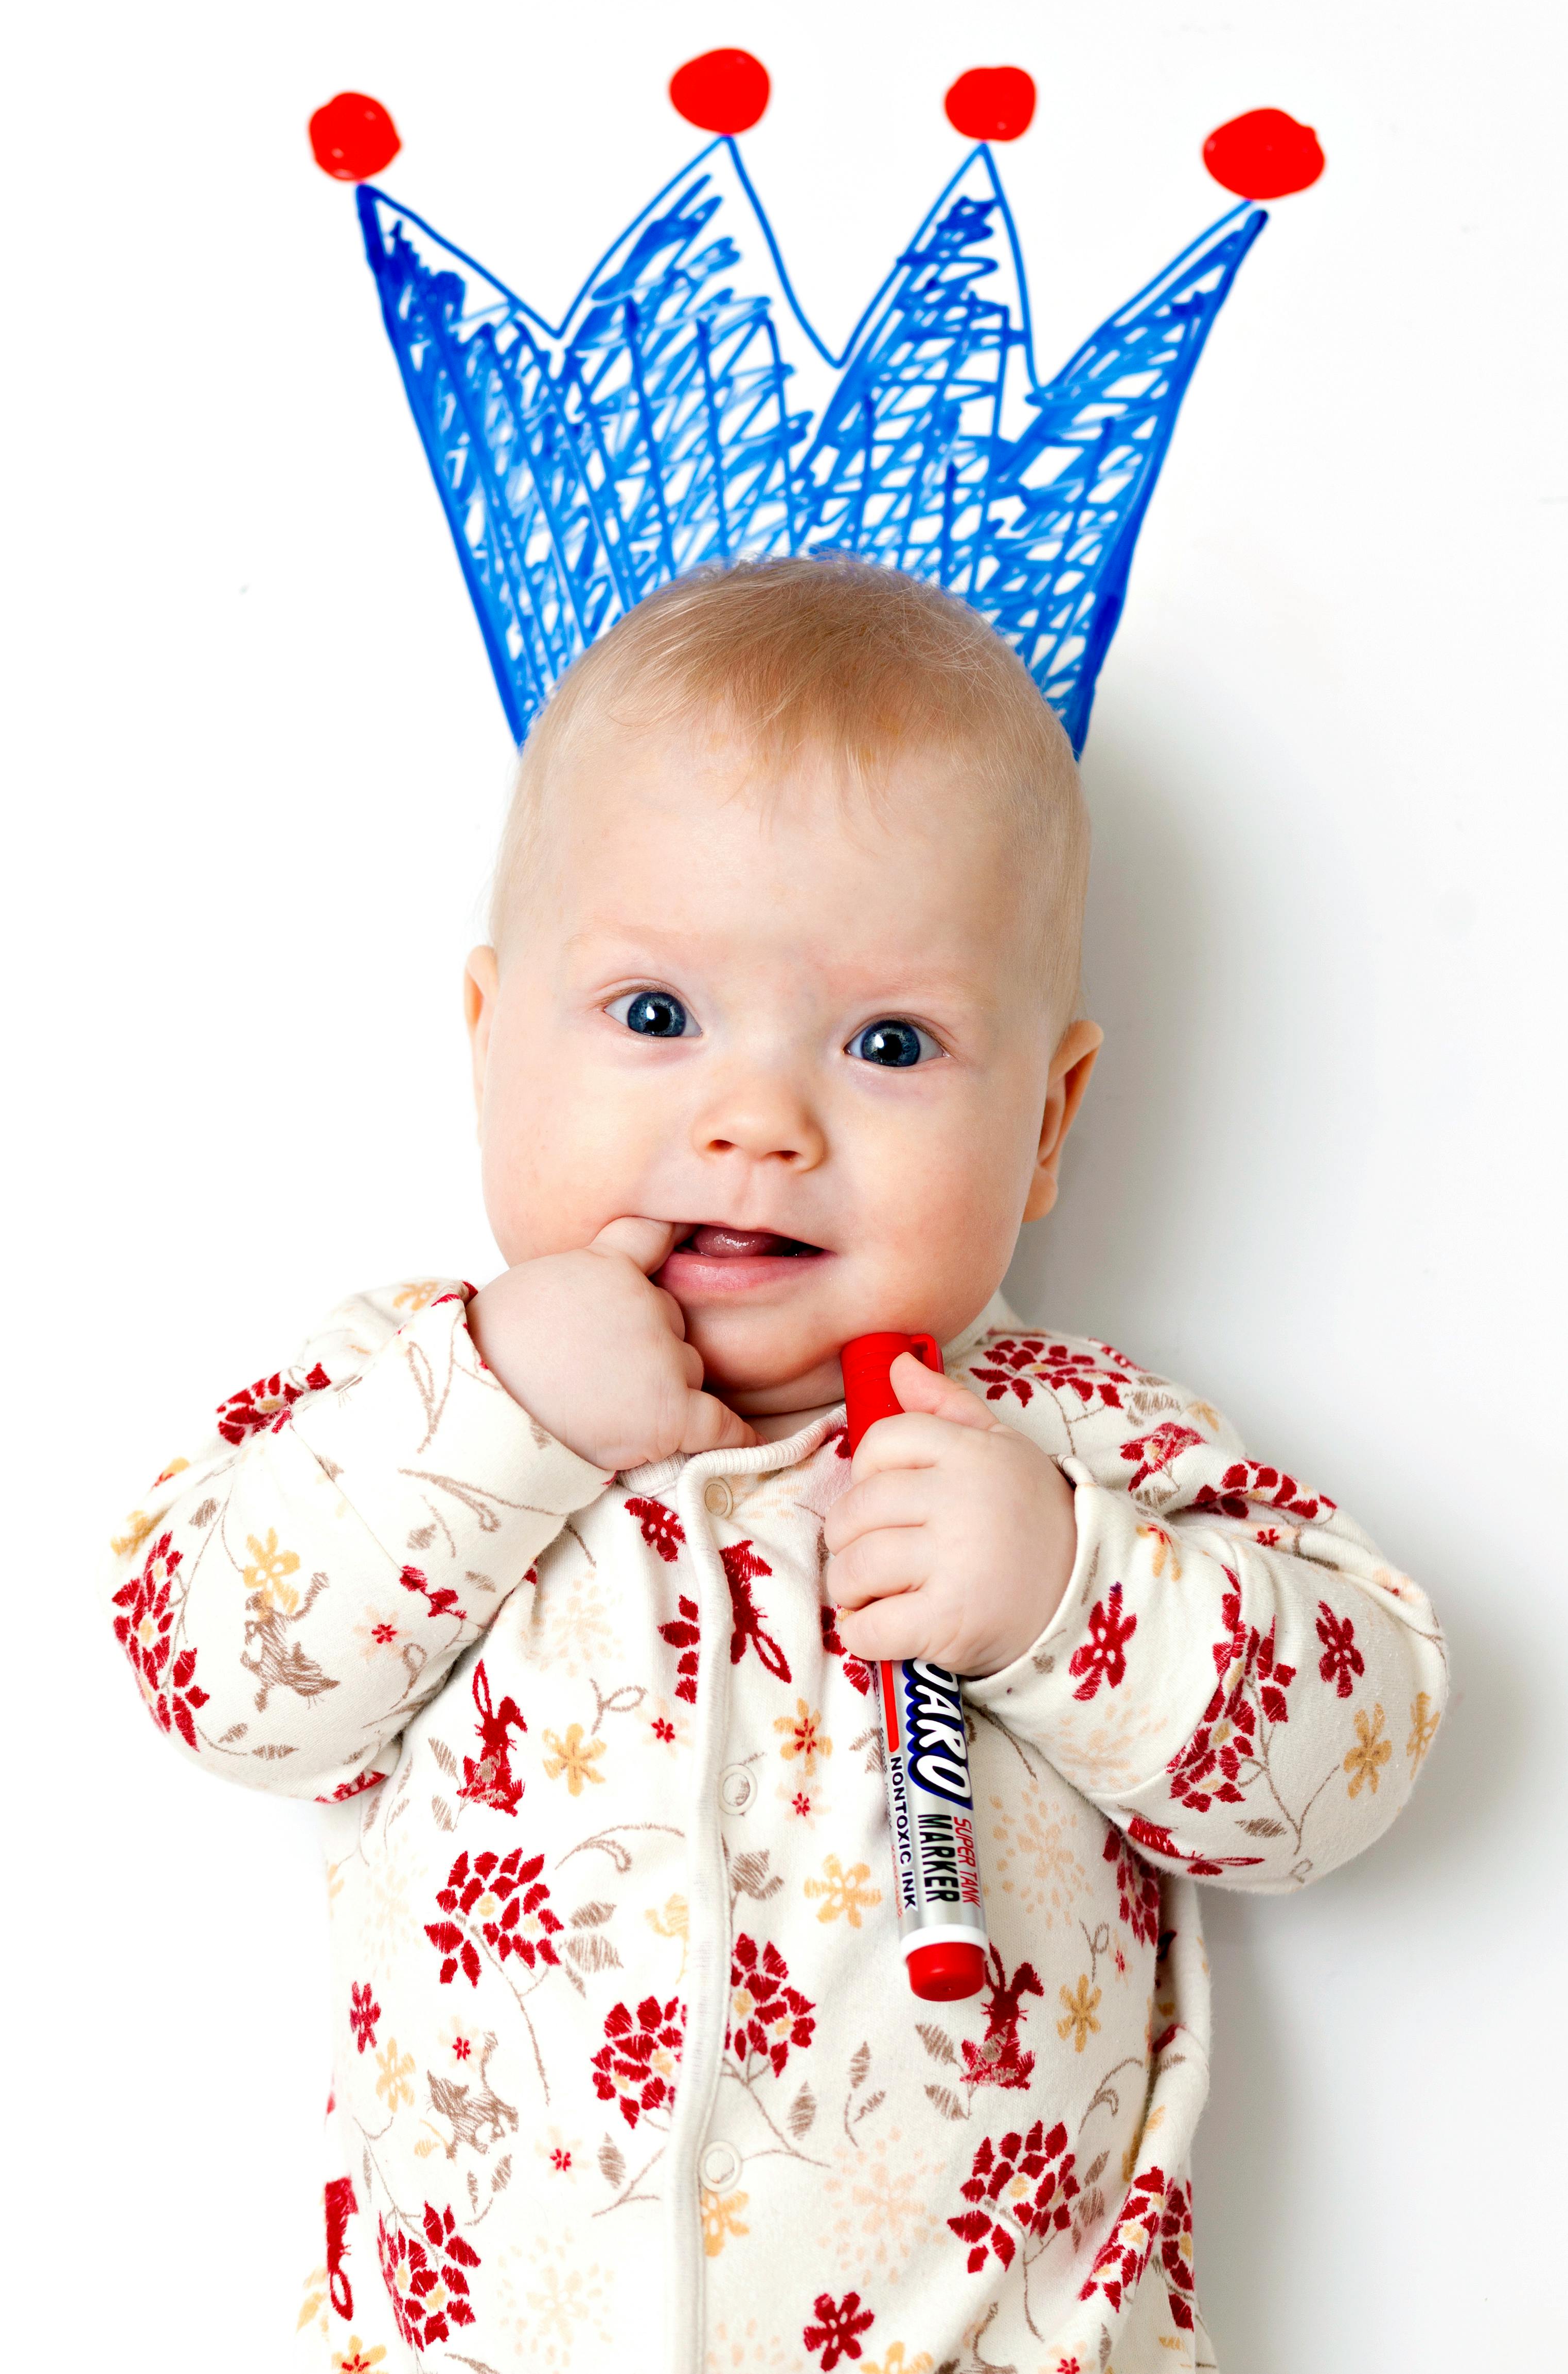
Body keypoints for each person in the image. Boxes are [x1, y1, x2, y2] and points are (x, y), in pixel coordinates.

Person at [110, 556, 1445, 2372]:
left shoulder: (1061, 1436)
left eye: (889, 1043)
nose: (757, 1119)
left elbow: (1344, 1764)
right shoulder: (416, 1389)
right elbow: (208, 1673)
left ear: (1045, 1122)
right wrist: (504, 1402)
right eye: (656, 1015)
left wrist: (1064, 1588)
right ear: (489, 1038)